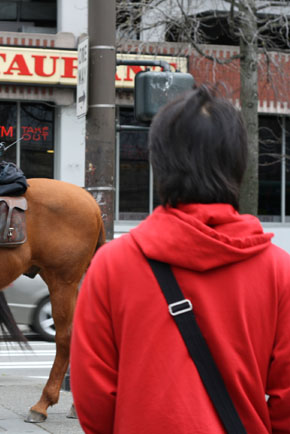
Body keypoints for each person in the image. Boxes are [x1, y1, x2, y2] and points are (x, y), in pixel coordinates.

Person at [70, 86, 290, 432]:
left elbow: (94, 400)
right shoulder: (279, 271)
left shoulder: (111, 265)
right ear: (237, 163)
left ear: (159, 162)